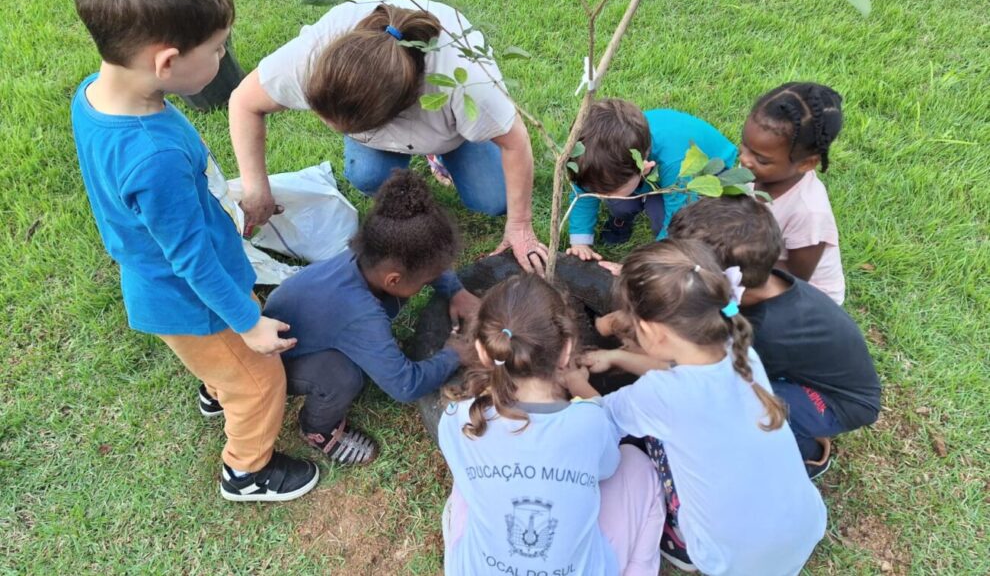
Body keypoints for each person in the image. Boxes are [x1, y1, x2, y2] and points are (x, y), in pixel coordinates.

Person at [70, 0, 318, 502]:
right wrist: (249, 324)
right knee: (259, 384)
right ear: (167, 61)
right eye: (218, 48)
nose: (224, 59)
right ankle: (246, 470)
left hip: (154, 278)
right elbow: (191, 260)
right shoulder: (152, 156)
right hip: (193, 297)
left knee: (222, 364)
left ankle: (216, 382)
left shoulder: (94, 94)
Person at [228, 0, 548, 272]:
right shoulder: (309, 58)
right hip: (396, 112)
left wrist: (520, 227)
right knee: (367, 176)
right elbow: (244, 102)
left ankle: (440, 148)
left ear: (403, 109)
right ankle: (424, 147)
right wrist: (257, 187)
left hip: (446, 123)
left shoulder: (466, 83)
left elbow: (515, 142)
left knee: (493, 201)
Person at [569, 239, 826, 576]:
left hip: (726, 559)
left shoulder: (660, 395)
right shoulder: (741, 351)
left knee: (639, 451)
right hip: (804, 526)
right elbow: (686, 380)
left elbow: (600, 420)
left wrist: (576, 383)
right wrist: (617, 357)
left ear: (649, 331)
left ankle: (679, 540)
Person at [439, 274, 664, 576]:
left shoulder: (458, 417)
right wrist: (581, 388)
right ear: (567, 349)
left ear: (482, 350)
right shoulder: (589, 422)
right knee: (637, 463)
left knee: (464, 487)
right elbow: (608, 467)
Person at [263, 170, 478, 464]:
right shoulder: (361, 315)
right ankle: (318, 429)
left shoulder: (368, 257)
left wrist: (455, 290)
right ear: (393, 280)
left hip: (288, 326)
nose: (433, 279)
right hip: (274, 364)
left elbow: (429, 262)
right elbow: (405, 385)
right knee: (342, 377)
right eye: (428, 278)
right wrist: (454, 354)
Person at [666, 195, 881, 477]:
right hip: (803, 369)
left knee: (740, 404)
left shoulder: (769, 332)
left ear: (726, 283)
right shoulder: (762, 281)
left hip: (839, 401)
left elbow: (720, 376)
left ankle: (807, 454)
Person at [564, 98, 737, 261]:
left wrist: (649, 261)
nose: (599, 197)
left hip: (709, 170)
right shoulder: (595, 158)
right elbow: (583, 192)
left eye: (605, 192)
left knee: (660, 214)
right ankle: (623, 217)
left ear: (644, 168)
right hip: (646, 171)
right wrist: (580, 241)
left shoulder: (676, 164)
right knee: (619, 203)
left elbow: (677, 219)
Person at [740, 82, 846, 303]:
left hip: (806, 296)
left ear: (806, 163)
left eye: (761, 159)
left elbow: (796, 278)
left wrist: (735, 260)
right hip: (753, 262)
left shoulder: (809, 212)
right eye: (744, 145)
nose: (745, 159)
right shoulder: (752, 171)